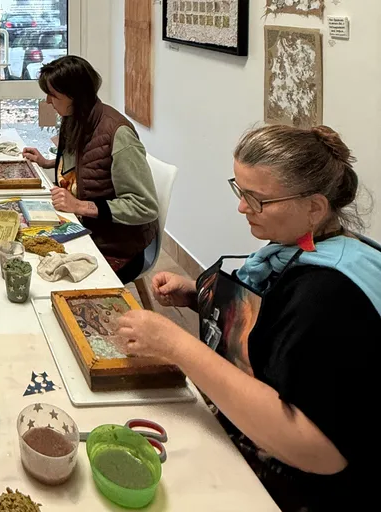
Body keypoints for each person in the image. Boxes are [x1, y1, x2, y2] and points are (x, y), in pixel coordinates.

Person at [116, 125, 381, 510]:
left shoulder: (331, 297)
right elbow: (276, 328)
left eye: (257, 200)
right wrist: (197, 296)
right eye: (240, 192)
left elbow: (317, 450)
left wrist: (177, 346)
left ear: (314, 208)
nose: (242, 208)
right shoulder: (308, 244)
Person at [22, 55, 159, 283]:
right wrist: (47, 162)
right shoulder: (76, 116)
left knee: (39, 275)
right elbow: (88, 164)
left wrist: (79, 206)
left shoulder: (118, 134)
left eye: (53, 95)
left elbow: (145, 206)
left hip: (116, 246)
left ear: (75, 95)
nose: (48, 101)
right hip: (85, 227)